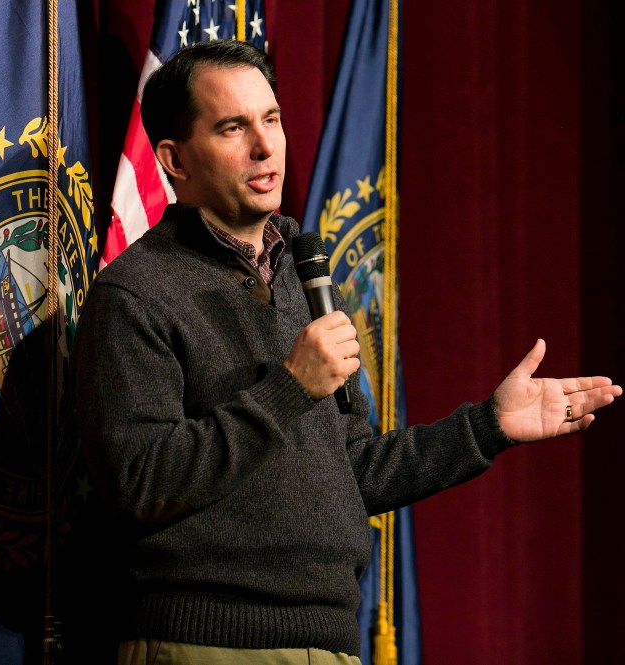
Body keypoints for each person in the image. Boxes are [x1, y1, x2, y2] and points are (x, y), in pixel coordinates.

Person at [67, 40, 620, 665]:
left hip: (329, 643)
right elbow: (139, 482)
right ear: (175, 160)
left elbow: (353, 470)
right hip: (206, 641)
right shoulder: (136, 293)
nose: (265, 146)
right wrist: (289, 388)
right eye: (232, 127)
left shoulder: (305, 277)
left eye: (271, 119)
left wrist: (487, 427)